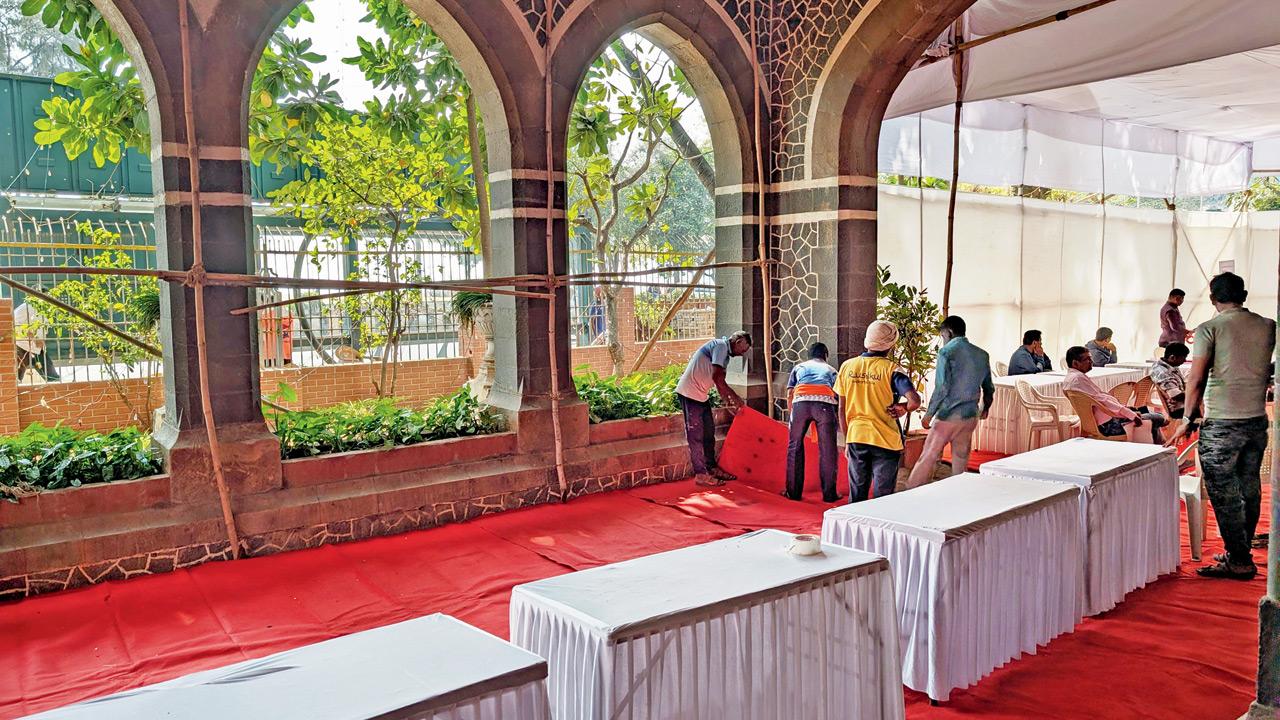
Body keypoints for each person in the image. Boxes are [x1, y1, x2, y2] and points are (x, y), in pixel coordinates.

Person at [1165, 272, 1275, 580]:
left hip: (1223, 424)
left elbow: (1196, 378)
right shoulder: (1269, 326)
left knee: (1224, 494)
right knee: (1249, 487)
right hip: (1256, 421)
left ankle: (1239, 559)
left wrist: (1187, 420)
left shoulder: (1209, 328)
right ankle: (1241, 551)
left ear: (1213, 299)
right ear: (1245, 295)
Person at [834, 320, 921, 502]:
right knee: (882, 499)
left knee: (856, 497)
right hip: (886, 441)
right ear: (891, 345)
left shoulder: (847, 366)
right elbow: (914, 401)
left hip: (857, 437)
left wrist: (848, 439)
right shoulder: (892, 370)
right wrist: (903, 408)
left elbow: (841, 408)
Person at [907, 316, 994, 488]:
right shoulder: (982, 354)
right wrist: (985, 408)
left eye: (942, 336)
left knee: (928, 455)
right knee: (961, 458)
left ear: (948, 332)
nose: (943, 340)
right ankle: (957, 492)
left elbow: (942, 387)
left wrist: (928, 415)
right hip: (970, 415)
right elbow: (989, 387)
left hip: (948, 415)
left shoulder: (946, 352)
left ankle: (911, 490)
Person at [675, 331, 750, 487]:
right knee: (695, 436)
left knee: (709, 433)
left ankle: (711, 468)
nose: (742, 354)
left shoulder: (725, 354)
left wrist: (727, 401)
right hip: (690, 393)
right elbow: (717, 377)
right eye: (743, 350)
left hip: (701, 395)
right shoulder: (721, 346)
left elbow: (719, 380)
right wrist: (734, 397)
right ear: (737, 342)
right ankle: (701, 475)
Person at [1063, 346, 1165, 443]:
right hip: (1109, 425)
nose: (1091, 361)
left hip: (1101, 421)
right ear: (1075, 363)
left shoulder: (1071, 378)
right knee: (1158, 418)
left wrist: (1126, 409)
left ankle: (1155, 448)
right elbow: (1103, 401)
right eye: (1087, 359)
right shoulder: (1078, 379)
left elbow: (1100, 400)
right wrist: (1130, 414)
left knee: (1147, 412)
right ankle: (1155, 449)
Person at [783, 342, 840, 503]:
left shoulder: (799, 367)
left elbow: (790, 393)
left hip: (800, 404)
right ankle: (829, 494)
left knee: (794, 447)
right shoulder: (831, 370)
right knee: (828, 450)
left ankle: (793, 493)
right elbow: (837, 395)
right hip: (825, 406)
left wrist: (792, 414)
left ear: (808, 356)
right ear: (825, 355)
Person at [13, 299, 59, 382]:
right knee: (15, 379)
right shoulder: (25, 307)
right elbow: (15, 324)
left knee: (52, 377)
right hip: (22, 346)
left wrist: (41, 340)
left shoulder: (45, 311)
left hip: (37, 349)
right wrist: (35, 338)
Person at [1148, 342, 1189, 420]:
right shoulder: (1162, 372)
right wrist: (1196, 395)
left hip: (1184, 405)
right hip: (1179, 409)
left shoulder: (1170, 365)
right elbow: (1176, 396)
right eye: (1183, 357)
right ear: (1172, 357)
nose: (1185, 360)